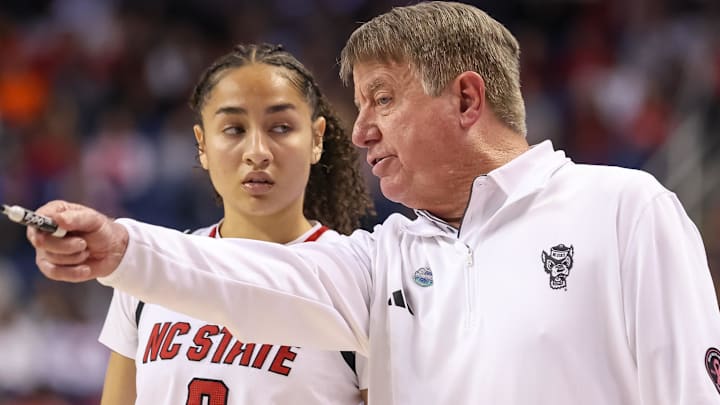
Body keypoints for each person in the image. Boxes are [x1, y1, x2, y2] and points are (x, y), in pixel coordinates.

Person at [27, 2, 720, 404]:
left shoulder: (625, 208)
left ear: (467, 99)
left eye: (383, 99)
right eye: (359, 107)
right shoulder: (385, 255)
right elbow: (252, 275)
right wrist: (121, 247)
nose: (360, 131)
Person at [96, 43, 372, 405]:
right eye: (233, 129)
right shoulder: (151, 267)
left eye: (281, 127)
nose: (257, 151)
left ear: (316, 139)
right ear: (202, 146)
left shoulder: (360, 280)